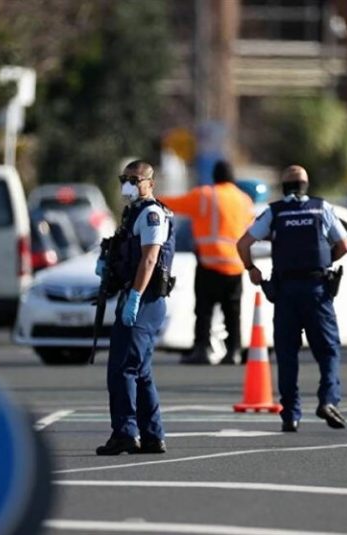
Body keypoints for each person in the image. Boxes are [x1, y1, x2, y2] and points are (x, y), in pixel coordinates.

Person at [236, 165, 347, 432]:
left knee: (287, 354)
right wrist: (325, 261)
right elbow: (344, 245)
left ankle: (290, 414)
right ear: (305, 185)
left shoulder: (275, 212)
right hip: (317, 290)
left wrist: (251, 269)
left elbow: (243, 244)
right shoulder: (321, 208)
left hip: (286, 292)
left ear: (284, 187)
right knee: (328, 349)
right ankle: (328, 400)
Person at [94, 160, 175, 455]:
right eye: (124, 179)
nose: (128, 184)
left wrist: (135, 297)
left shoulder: (152, 213)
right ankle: (152, 436)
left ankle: (125, 433)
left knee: (123, 369)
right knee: (140, 370)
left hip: (145, 299)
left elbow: (150, 259)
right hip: (136, 296)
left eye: (134, 179)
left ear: (150, 183)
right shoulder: (133, 212)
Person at [159, 160, 255, 365]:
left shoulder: (204, 195)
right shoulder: (244, 200)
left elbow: (173, 204)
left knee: (204, 311)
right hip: (235, 265)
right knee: (233, 312)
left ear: (214, 176)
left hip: (209, 263)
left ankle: (201, 350)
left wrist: (149, 198)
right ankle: (234, 352)